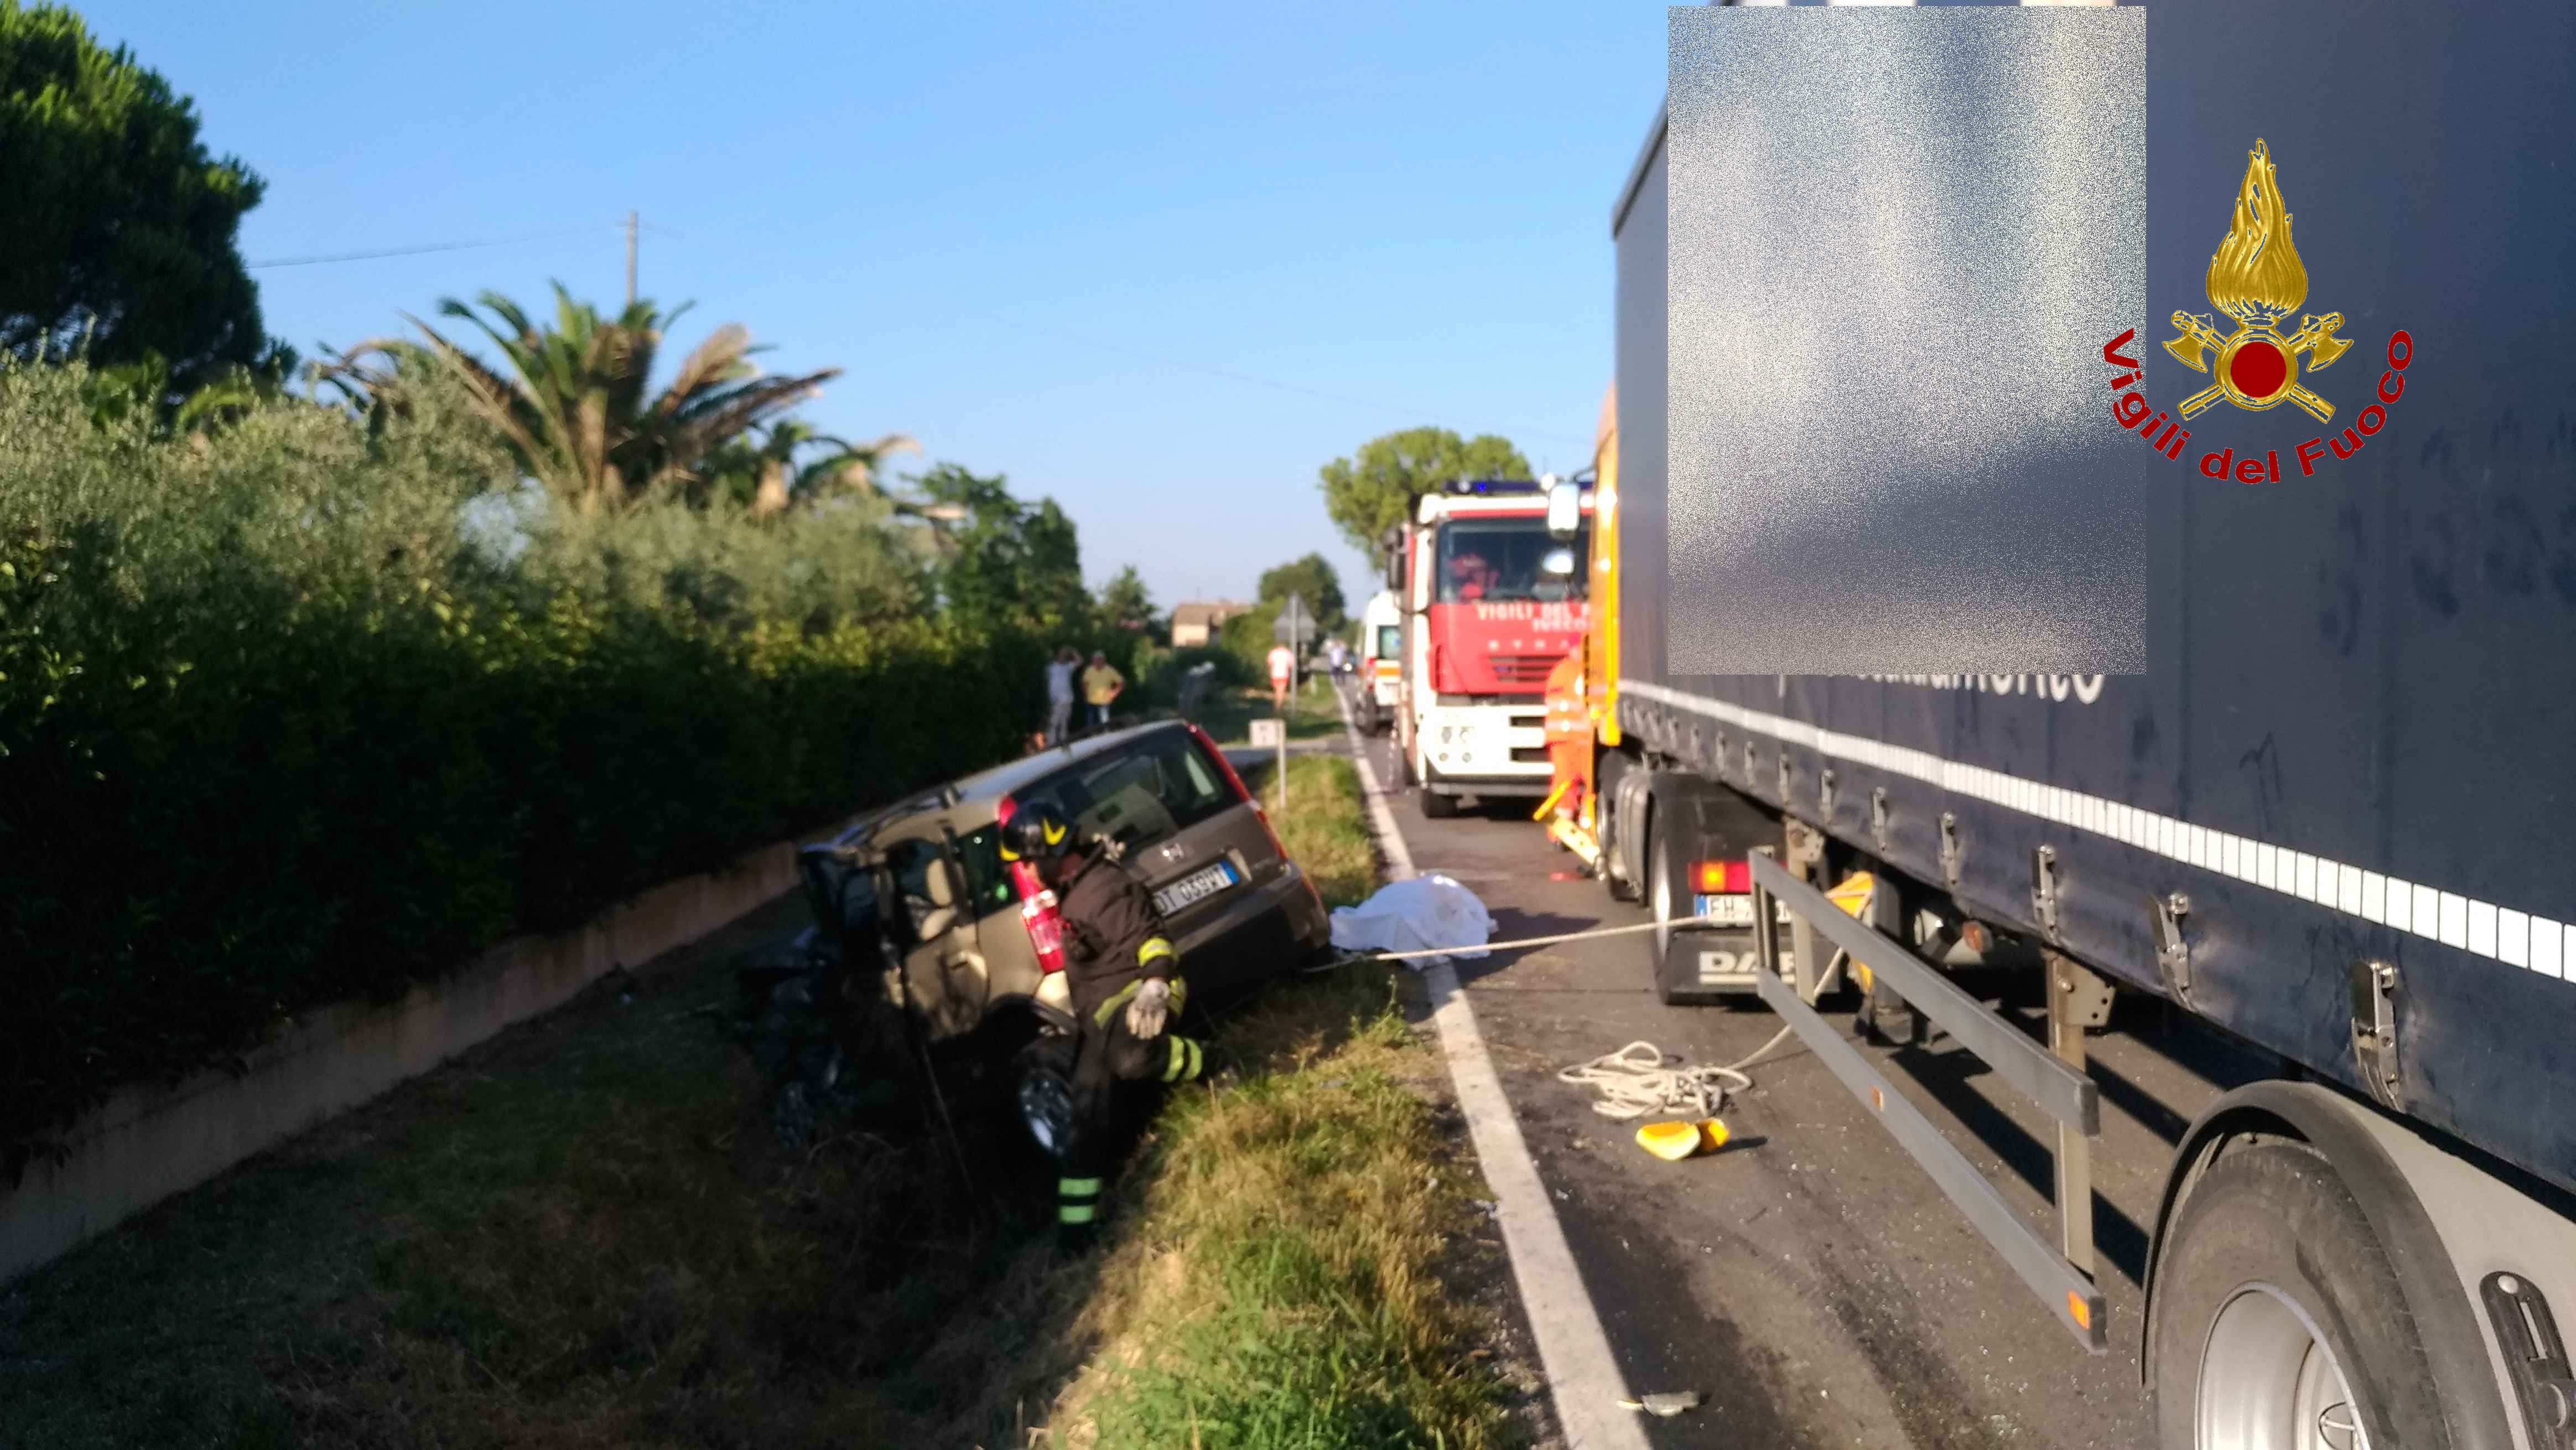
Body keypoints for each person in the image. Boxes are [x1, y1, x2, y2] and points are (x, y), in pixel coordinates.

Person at [1000, 804, 1211, 1251]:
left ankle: (1208, 1062)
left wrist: (1154, 985)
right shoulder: (1076, 893)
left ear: (1052, 853)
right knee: (1085, 1116)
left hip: (1149, 996)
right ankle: (1076, 1236)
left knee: (1131, 1058)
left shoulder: (1105, 889)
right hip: (1103, 1022)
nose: (1029, 874)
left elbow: (1152, 939)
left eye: (1029, 863)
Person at [1044, 647, 1079, 746]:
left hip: (1067, 699)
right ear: (1057, 656)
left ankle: (1063, 743)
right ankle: (1051, 744)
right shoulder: (1051, 668)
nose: (1063, 658)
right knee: (1053, 722)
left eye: (1065, 656)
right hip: (1056, 700)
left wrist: (1073, 651)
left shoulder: (1068, 667)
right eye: (1061, 655)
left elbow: (1080, 661)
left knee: (1064, 723)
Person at [1081, 650, 1125, 729]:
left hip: (1104, 702)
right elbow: (1084, 683)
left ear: (1103, 660)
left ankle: (1106, 737)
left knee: (1105, 724)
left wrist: (1114, 693)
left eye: (1099, 659)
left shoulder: (1110, 670)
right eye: (1095, 660)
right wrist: (1086, 693)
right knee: (1090, 725)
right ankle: (1092, 739)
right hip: (1091, 702)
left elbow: (1121, 682)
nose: (1097, 661)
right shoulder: (1089, 670)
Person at [1267, 641, 1295, 712]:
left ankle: (1277, 706)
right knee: (1281, 691)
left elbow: (1269, 663)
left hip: (1275, 674)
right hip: (1284, 674)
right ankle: (1278, 708)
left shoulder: (1273, 652)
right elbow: (1291, 665)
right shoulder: (1288, 653)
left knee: (1277, 691)